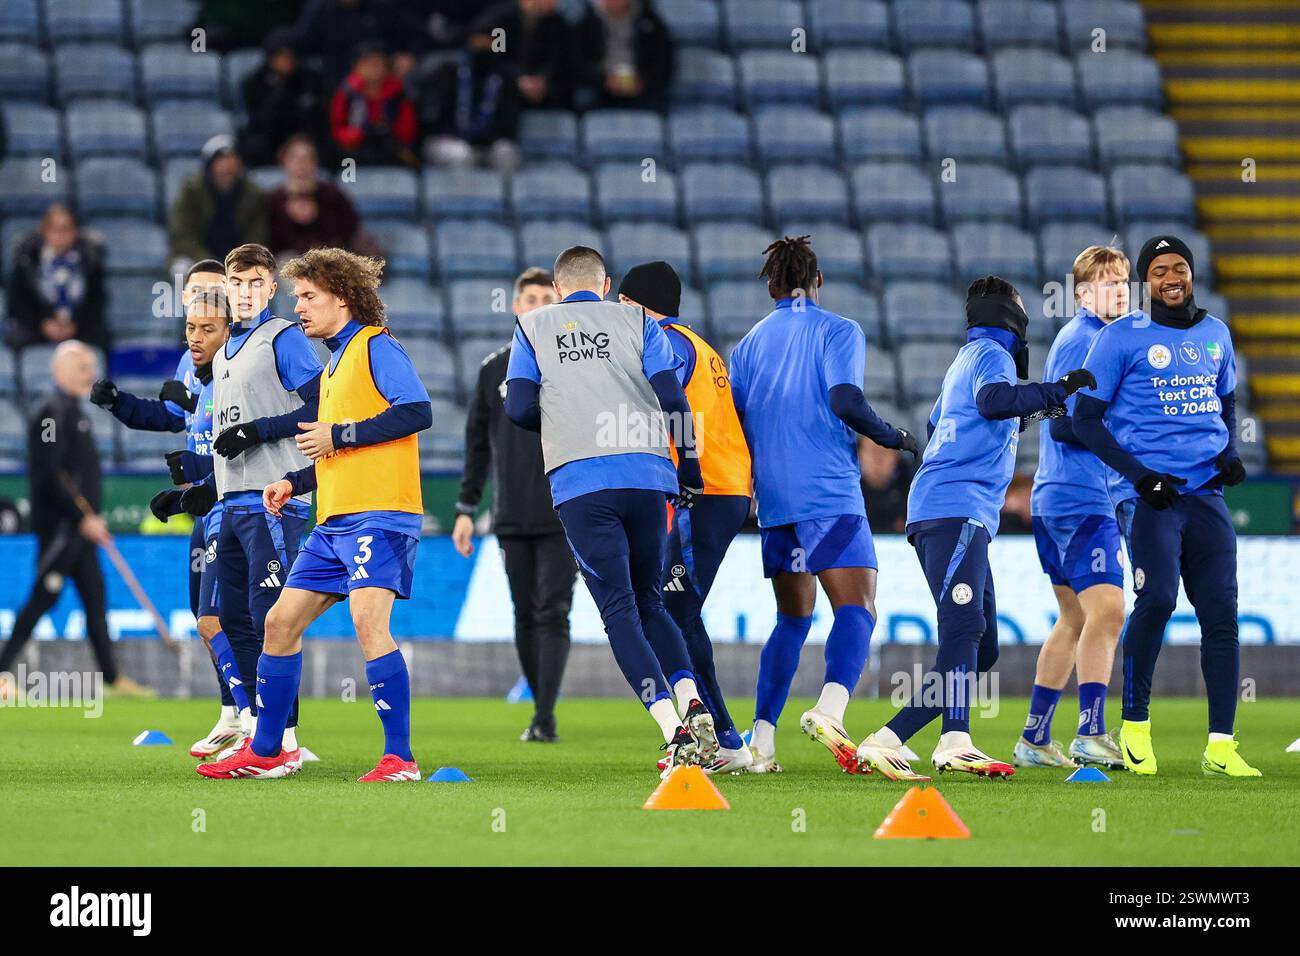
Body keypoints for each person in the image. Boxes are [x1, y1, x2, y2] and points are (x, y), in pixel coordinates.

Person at [198, 248, 433, 781]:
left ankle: (400, 758)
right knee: (279, 623)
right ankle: (269, 750)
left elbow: (418, 410)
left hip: (381, 514)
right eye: (297, 296)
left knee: (367, 622)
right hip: (333, 519)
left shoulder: (376, 346)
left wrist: (338, 434)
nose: (298, 306)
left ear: (342, 298)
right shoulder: (330, 365)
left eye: (309, 296)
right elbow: (332, 449)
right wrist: (294, 480)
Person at [855, 275, 1095, 780]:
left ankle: (888, 738)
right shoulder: (993, 355)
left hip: (952, 510)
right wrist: (1057, 389)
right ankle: (955, 740)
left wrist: (1030, 407)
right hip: (955, 509)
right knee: (964, 629)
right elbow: (991, 403)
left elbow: (941, 423)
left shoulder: (963, 361)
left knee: (981, 647)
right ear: (1009, 314)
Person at [504, 246, 714, 776]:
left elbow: (517, 407)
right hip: (648, 478)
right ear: (604, 284)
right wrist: (688, 470)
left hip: (582, 482)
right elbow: (674, 400)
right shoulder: (640, 320)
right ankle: (691, 701)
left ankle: (673, 731)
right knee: (652, 603)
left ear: (557, 286)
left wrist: (562, 413)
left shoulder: (533, 328)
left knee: (618, 609)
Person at [727, 236, 919, 774]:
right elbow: (844, 399)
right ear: (818, 282)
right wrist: (891, 435)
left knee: (793, 618)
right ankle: (830, 709)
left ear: (770, 287)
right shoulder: (839, 330)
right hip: (829, 493)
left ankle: (761, 742)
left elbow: (737, 425)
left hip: (775, 502)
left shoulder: (746, 347)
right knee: (857, 608)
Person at [1073, 235, 1259, 778]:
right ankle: (1134, 729)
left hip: (1206, 496)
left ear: (1191, 273)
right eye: (1159, 271)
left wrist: (1229, 453)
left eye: (1179, 267)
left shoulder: (1216, 333)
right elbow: (1084, 419)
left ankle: (1221, 747)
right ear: (1145, 283)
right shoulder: (1119, 337)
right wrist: (1140, 476)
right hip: (1152, 498)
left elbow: (1225, 401)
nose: (1170, 277)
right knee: (1155, 599)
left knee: (1222, 615)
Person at [90, 264, 244, 756]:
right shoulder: (191, 359)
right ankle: (232, 712)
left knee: (239, 619)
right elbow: (171, 417)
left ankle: (273, 727)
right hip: (205, 504)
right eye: (193, 292)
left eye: (210, 290)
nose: (199, 297)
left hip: (236, 500)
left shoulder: (245, 357)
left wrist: (203, 476)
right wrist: (119, 404)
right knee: (209, 617)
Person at [179, 243, 323, 765]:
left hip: (274, 498)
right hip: (232, 502)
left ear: (270, 288)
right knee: (232, 616)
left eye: (255, 283)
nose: (245, 293)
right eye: (236, 284)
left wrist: (260, 431)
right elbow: (223, 434)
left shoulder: (284, 338)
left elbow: (318, 405)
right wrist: (202, 491)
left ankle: (285, 737)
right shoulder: (222, 354)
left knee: (272, 618)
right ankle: (259, 728)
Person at [616, 260, 754, 774]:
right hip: (721, 488)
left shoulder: (667, 344)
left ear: (635, 305)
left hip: (702, 491)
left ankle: (723, 740)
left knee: (674, 612)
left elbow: (661, 401)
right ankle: (724, 737)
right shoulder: (701, 345)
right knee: (678, 610)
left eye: (623, 306)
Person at [1015, 246, 1133, 771]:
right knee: (1109, 611)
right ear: (1082, 294)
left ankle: (1035, 739)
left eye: (1125, 282)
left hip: (1061, 496)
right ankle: (1090, 732)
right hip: (1080, 498)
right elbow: (1061, 420)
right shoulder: (1084, 339)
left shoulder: (1098, 339)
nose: (1120, 291)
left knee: (1075, 617)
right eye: (1108, 283)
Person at [454, 267, 576, 743]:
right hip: (512, 513)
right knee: (524, 611)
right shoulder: (494, 369)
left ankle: (544, 715)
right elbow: (477, 446)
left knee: (553, 610)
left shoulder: (577, 364)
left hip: (565, 510)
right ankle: (539, 708)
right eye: (531, 297)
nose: (540, 304)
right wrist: (466, 508)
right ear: (516, 306)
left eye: (549, 296)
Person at [0, 343, 150, 700]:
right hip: (64, 529)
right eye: (83, 367)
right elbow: (52, 474)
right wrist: (80, 517)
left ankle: (112, 678)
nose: (89, 374)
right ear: (61, 370)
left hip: (82, 529)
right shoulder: (52, 414)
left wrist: (90, 519)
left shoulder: (75, 413)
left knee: (95, 598)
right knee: (43, 597)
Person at [6, 204, 108, 353]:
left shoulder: (90, 259)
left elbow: (97, 300)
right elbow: (17, 302)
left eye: (66, 229)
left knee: (103, 340)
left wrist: (76, 325)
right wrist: (42, 324)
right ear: (43, 231)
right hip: (36, 328)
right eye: (55, 229)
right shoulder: (26, 259)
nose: (61, 235)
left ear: (75, 232)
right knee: (15, 339)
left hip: (80, 327)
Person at [168, 136, 269, 277]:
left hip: (238, 258)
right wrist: (208, 261)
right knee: (181, 269)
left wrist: (239, 261)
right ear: (210, 165)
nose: (228, 166)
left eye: (233, 159)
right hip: (197, 255)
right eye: (222, 160)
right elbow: (183, 235)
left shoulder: (252, 193)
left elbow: (257, 235)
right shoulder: (191, 191)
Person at [418, 47, 523, 172]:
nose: (483, 44)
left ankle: (503, 192)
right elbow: (432, 116)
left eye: (488, 40)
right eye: (478, 40)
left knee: (506, 154)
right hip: (446, 139)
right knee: (462, 155)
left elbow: (509, 122)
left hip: (487, 143)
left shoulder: (502, 76)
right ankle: (460, 192)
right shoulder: (448, 72)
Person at [237, 29, 329, 168]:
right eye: (281, 56)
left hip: (303, 134)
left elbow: (317, 115)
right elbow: (257, 120)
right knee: (253, 148)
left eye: (290, 56)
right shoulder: (253, 81)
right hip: (269, 135)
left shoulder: (311, 79)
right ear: (270, 58)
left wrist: (298, 141)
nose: (286, 62)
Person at [469, 0, 575, 110]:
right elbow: (496, 58)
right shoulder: (500, 18)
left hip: (544, 89)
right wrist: (518, 79)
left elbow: (558, 59)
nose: (555, 3)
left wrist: (543, 79)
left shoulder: (558, 23)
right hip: (507, 87)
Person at [267, 134, 361, 257]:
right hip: (287, 264)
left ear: (315, 162)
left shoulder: (333, 195)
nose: (301, 165)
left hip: (329, 261)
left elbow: (348, 233)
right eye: (295, 159)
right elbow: (269, 244)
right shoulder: (274, 200)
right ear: (284, 162)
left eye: (307, 159)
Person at [329, 42, 419, 168]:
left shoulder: (398, 93)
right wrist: (361, 133)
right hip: (355, 149)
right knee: (345, 161)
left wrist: (385, 130)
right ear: (356, 66)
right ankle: (347, 185)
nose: (373, 69)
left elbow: (408, 132)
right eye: (367, 63)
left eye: (377, 63)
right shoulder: (346, 93)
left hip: (391, 149)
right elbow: (337, 129)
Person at [574, 0, 675, 112]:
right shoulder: (586, 24)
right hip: (599, 90)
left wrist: (643, 80)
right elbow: (577, 62)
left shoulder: (651, 23)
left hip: (642, 89)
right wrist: (604, 81)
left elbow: (664, 62)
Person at [859, 437, 912, 534]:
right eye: (873, 451)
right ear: (859, 455)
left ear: (896, 456)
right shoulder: (844, 493)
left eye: (884, 451)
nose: (878, 458)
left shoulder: (914, 490)